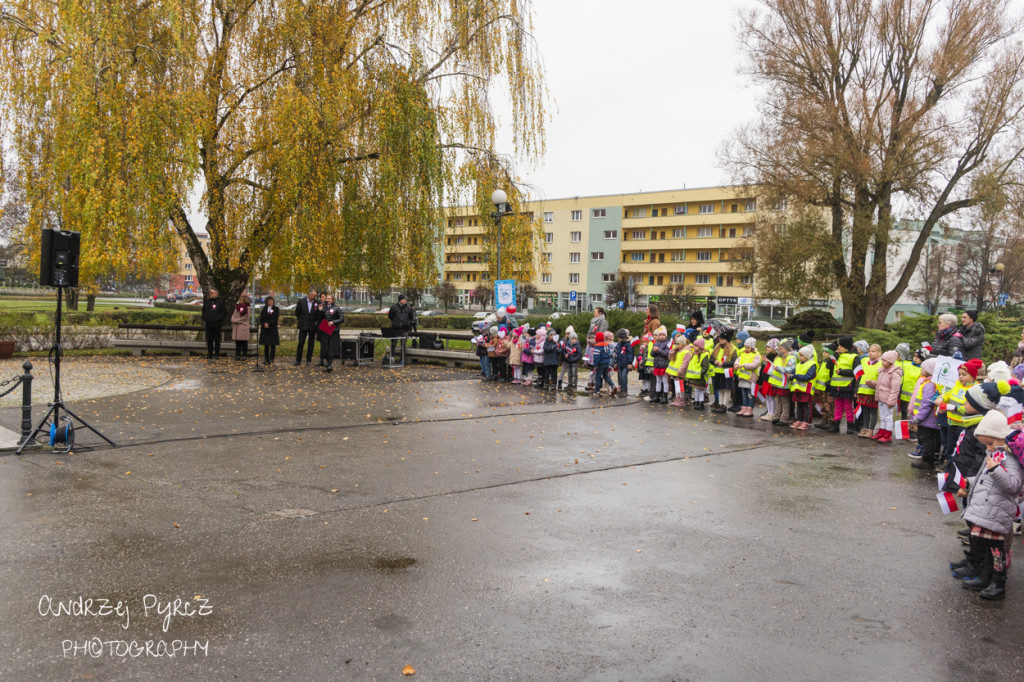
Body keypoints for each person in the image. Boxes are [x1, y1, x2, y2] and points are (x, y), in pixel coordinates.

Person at [956, 410, 1023, 600]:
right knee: (987, 547)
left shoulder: (1009, 459)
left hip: (997, 511)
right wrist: (969, 484)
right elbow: (981, 478)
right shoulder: (995, 455)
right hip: (987, 510)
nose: (989, 448)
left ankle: (998, 582)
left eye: (991, 443)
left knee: (996, 550)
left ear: (1001, 437)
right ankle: (986, 577)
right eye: (986, 444)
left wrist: (995, 470)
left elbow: (1014, 485)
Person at [909, 358, 940, 470]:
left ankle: (927, 461)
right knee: (931, 440)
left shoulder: (929, 385)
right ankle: (931, 459)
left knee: (927, 441)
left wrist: (918, 418)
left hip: (926, 420)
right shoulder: (929, 383)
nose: (921, 370)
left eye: (923, 368)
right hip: (927, 419)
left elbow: (927, 404)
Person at [828, 336, 862, 434]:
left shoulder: (854, 357)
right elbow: (828, 366)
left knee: (848, 407)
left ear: (847, 347)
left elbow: (857, 372)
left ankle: (850, 425)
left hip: (847, 386)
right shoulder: (838, 355)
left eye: (841, 346)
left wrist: (843, 372)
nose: (838, 347)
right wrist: (834, 355)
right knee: (838, 407)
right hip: (836, 386)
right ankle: (836, 425)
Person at [872, 350, 903, 444]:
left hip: (888, 400)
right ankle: (882, 430)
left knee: (888, 416)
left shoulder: (895, 374)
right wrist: (872, 383)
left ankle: (888, 433)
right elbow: (880, 384)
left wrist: (891, 401)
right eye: (882, 360)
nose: (882, 362)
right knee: (882, 416)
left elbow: (895, 389)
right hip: (881, 398)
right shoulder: (882, 371)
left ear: (891, 362)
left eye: (885, 360)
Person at [856, 344, 883, 438]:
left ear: (879, 353)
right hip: (863, 391)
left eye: (873, 351)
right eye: (869, 351)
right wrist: (857, 390)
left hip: (873, 392)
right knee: (865, 411)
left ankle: (871, 429)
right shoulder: (864, 362)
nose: (871, 353)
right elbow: (859, 376)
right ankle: (865, 427)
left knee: (873, 412)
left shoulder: (881, 364)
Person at [789, 345, 817, 430]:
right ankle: (799, 420)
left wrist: (795, 376)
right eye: (799, 355)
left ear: (807, 356)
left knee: (806, 406)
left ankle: (805, 421)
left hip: (806, 389)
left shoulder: (812, 365)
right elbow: (794, 373)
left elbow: (808, 377)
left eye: (801, 355)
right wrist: (790, 376)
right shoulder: (798, 364)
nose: (799, 357)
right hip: (798, 388)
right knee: (799, 405)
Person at [769, 339, 796, 426]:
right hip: (778, 383)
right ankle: (777, 416)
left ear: (787, 348)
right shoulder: (779, 357)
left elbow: (789, 369)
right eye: (779, 349)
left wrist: (778, 368)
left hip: (785, 384)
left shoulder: (791, 358)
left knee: (785, 402)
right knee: (778, 401)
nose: (779, 350)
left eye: (781, 349)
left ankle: (784, 418)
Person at [710, 330, 737, 413]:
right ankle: (720, 404)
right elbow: (711, 358)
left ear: (727, 339)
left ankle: (724, 405)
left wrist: (724, 364)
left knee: (726, 389)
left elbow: (734, 361)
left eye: (722, 339)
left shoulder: (732, 349)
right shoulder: (717, 346)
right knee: (720, 388)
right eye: (720, 338)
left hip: (727, 372)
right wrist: (715, 362)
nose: (720, 340)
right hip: (718, 371)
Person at [734, 337, 762, 417]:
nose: (746, 349)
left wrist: (744, 365)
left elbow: (754, 365)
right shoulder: (743, 353)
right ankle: (744, 407)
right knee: (744, 394)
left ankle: (750, 408)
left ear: (752, 347)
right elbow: (738, 359)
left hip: (750, 378)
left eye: (748, 347)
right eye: (745, 347)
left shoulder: (756, 355)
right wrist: (736, 364)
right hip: (743, 378)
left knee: (750, 394)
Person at [318, 295, 344, 372]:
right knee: (325, 347)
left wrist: (333, 322)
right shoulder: (324, 308)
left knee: (331, 347)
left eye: (329, 298)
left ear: (333, 300)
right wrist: (320, 310)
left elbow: (341, 319)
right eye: (326, 298)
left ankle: (329, 365)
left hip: (333, 330)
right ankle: (326, 361)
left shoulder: (336, 308)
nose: (327, 299)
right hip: (325, 329)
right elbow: (319, 318)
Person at [294, 289, 319, 366]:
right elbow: (297, 312)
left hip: (312, 326)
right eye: (313, 296)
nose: (314, 297)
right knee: (301, 342)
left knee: (311, 343)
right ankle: (298, 360)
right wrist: (302, 320)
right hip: (303, 325)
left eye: (315, 296)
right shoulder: (301, 301)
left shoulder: (317, 303)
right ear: (309, 294)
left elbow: (318, 314)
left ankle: (309, 360)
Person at [685, 337, 711, 410]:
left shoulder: (704, 355)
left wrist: (700, 373)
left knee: (700, 390)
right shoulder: (694, 354)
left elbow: (705, 367)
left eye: (696, 346)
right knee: (696, 390)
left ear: (700, 347)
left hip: (700, 376)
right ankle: (696, 401)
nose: (694, 347)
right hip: (694, 376)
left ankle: (701, 402)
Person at [201, 287, 227, 359]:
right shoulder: (207, 301)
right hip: (208, 323)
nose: (210, 294)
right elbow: (203, 310)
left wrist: (218, 319)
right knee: (209, 339)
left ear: (216, 293)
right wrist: (205, 318)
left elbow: (223, 312)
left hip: (216, 324)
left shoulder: (220, 302)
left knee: (216, 339)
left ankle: (217, 354)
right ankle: (210, 353)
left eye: (212, 293)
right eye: (210, 293)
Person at [388, 294, 414, 359]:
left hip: (405, 329)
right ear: (400, 300)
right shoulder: (394, 307)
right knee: (393, 344)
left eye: (405, 299)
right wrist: (395, 322)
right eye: (403, 299)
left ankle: (402, 359)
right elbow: (390, 316)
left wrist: (407, 323)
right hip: (395, 329)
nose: (405, 300)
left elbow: (411, 317)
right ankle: (392, 358)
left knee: (403, 344)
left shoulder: (408, 308)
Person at [611, 329, 634, 396]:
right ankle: (621, 389)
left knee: (624, 377)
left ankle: (624, 390)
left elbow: (630, 354)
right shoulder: (619, 344)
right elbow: (617, 353)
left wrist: (630, 363)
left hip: (626, 364)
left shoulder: (628, 345)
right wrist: (616, 362)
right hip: (620, 363)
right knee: (620, 377)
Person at [259, 296, 280, 365]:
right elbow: (261, 318)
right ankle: (266, 358)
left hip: (272, 329)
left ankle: (271, 358)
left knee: (272, 345)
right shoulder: (264, 309)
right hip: (265, 329)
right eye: (270, 301)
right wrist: (264, 323)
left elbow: (275, 318)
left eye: (272, 301)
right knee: (266, 345)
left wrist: (269, 324)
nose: (271, 302)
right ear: (267, 301)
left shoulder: (276, 309)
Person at [591, 331, 614, 395]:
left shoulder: (597, 346)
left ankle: (597, 390)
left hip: (600, 363)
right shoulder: (606, 345)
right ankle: (613, 385)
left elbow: (596, 357)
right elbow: (609, 353)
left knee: (598, 376)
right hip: (607, 362)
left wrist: (595, 365)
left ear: (596, 339)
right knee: (606, 375)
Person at [230, 295, 251, 360]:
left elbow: (245, 318)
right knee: (237, 342)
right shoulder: (237, 307)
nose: (240, 301)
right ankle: (237, 354)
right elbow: (233, 314)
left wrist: (236, 320)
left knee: (244, 342)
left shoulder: (247, 308)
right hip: (236, 327)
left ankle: (244, 354)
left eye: (241, 299)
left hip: (243, 326)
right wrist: (232, 319)